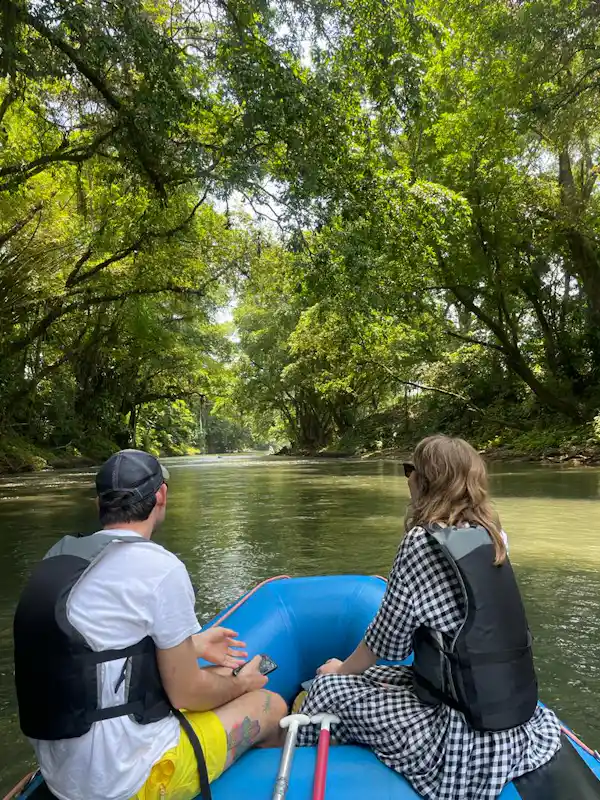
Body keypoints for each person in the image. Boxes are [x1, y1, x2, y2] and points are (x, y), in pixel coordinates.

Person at [297, 434, 561, 799]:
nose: (407, 477)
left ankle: (295, 752)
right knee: (376, 678)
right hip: (512, 724)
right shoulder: (493, 534)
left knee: (327, 687)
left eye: (410, 470)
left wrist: (338, 671)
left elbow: (386, 644)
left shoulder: (421, 543)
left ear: (424, 481)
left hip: (457, 741)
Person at [13, 449, 287, 800]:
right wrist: (244, 683)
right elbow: (188, 694)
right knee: (268, 704)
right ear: (161, 496)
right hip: (128, 782)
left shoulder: (59, 558)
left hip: (63, 776)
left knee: (220, 676)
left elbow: (87, 654)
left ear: (99, 503)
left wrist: (195, 644)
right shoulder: (160, 568)